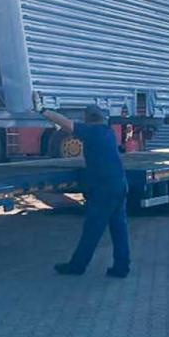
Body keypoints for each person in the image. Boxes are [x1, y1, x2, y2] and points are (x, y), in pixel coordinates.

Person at [42, 104, 131, 279]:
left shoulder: (92, 132)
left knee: (92, 229)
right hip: (119, 185)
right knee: (119, 228)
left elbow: (66, 124)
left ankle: (77, 265)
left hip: (104, 189)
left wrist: (44, 111)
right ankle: (122, 267)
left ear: (88, 119)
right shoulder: (108, 132)